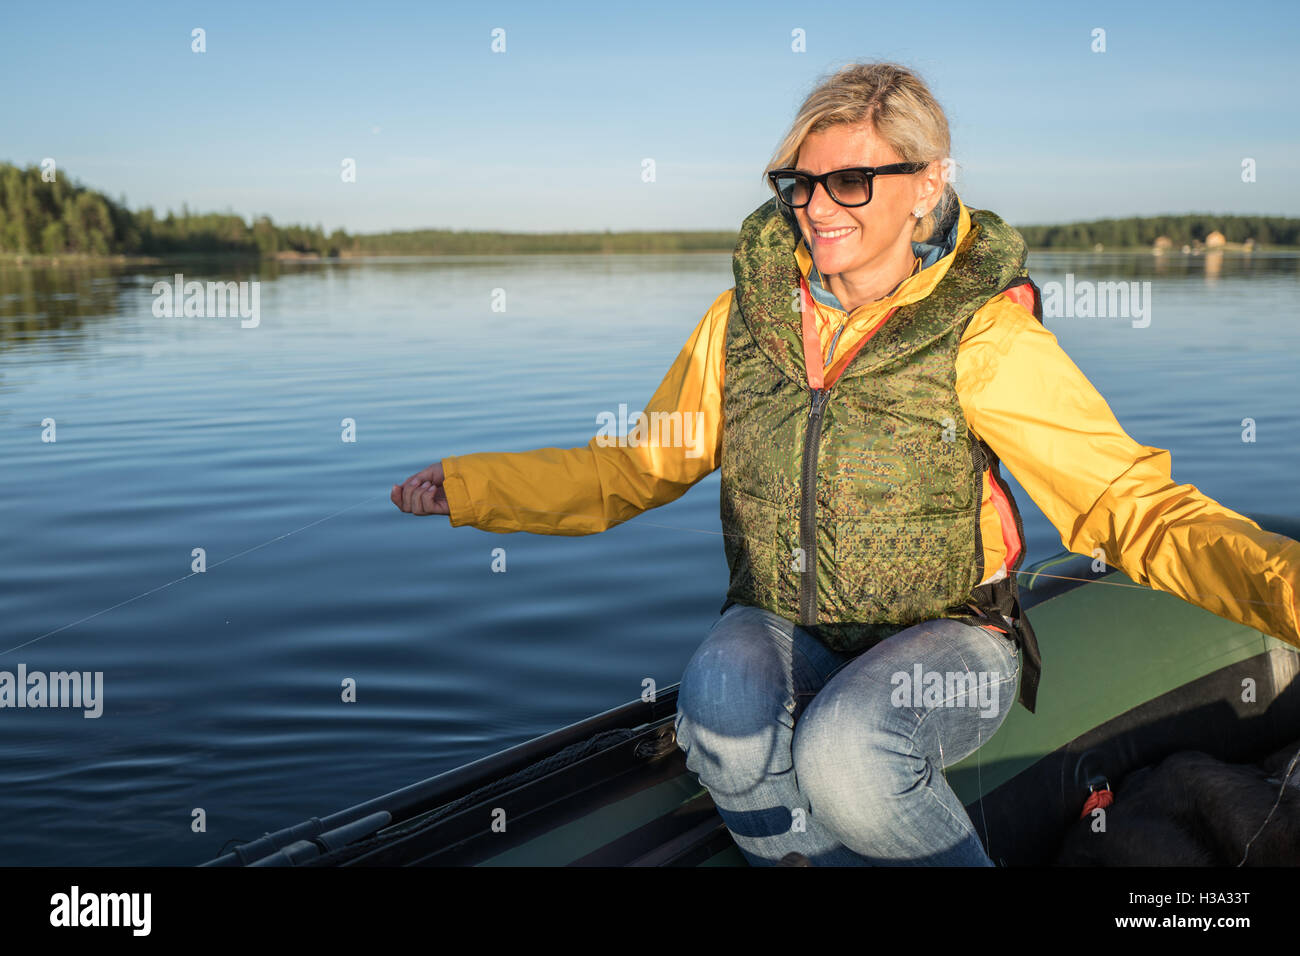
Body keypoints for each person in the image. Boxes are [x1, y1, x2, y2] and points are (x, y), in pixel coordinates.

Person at [391, 62, 1300, 866]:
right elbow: (637, 466)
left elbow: (1130, 506)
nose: (818, 207)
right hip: (787, 626)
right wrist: (475, 487)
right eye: (802, 182)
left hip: (950, 637)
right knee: (718, 698)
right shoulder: (740, 325)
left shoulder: (986, 338)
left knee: (848, 752)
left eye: (852, 180)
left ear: (928, 185)